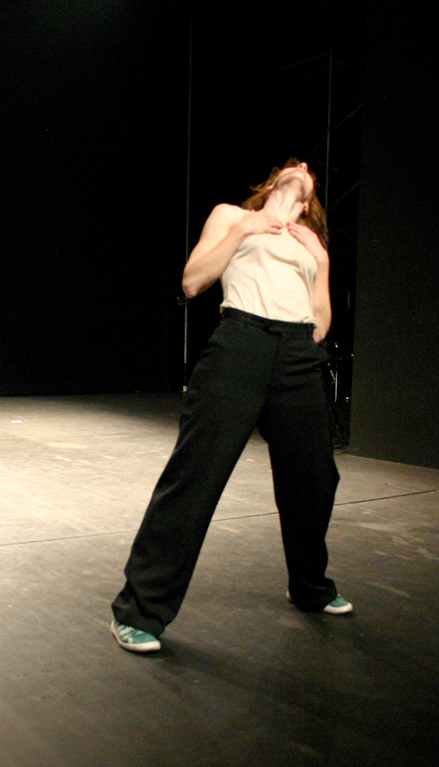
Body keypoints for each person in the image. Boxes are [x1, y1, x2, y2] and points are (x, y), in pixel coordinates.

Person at [110, 159, 351, 653]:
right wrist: (245, 228)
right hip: (240, 342)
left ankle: (309, 587)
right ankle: (140, 610)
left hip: (298, 354)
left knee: (315, 477)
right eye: (293, 163)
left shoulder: (311, 243)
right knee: (196, 475)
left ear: (308, 201)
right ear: (273, 182)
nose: (302, 164)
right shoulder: (231, 216)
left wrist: (321, 263)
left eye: (308, 169)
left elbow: (322, 322)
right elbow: (193, 281)